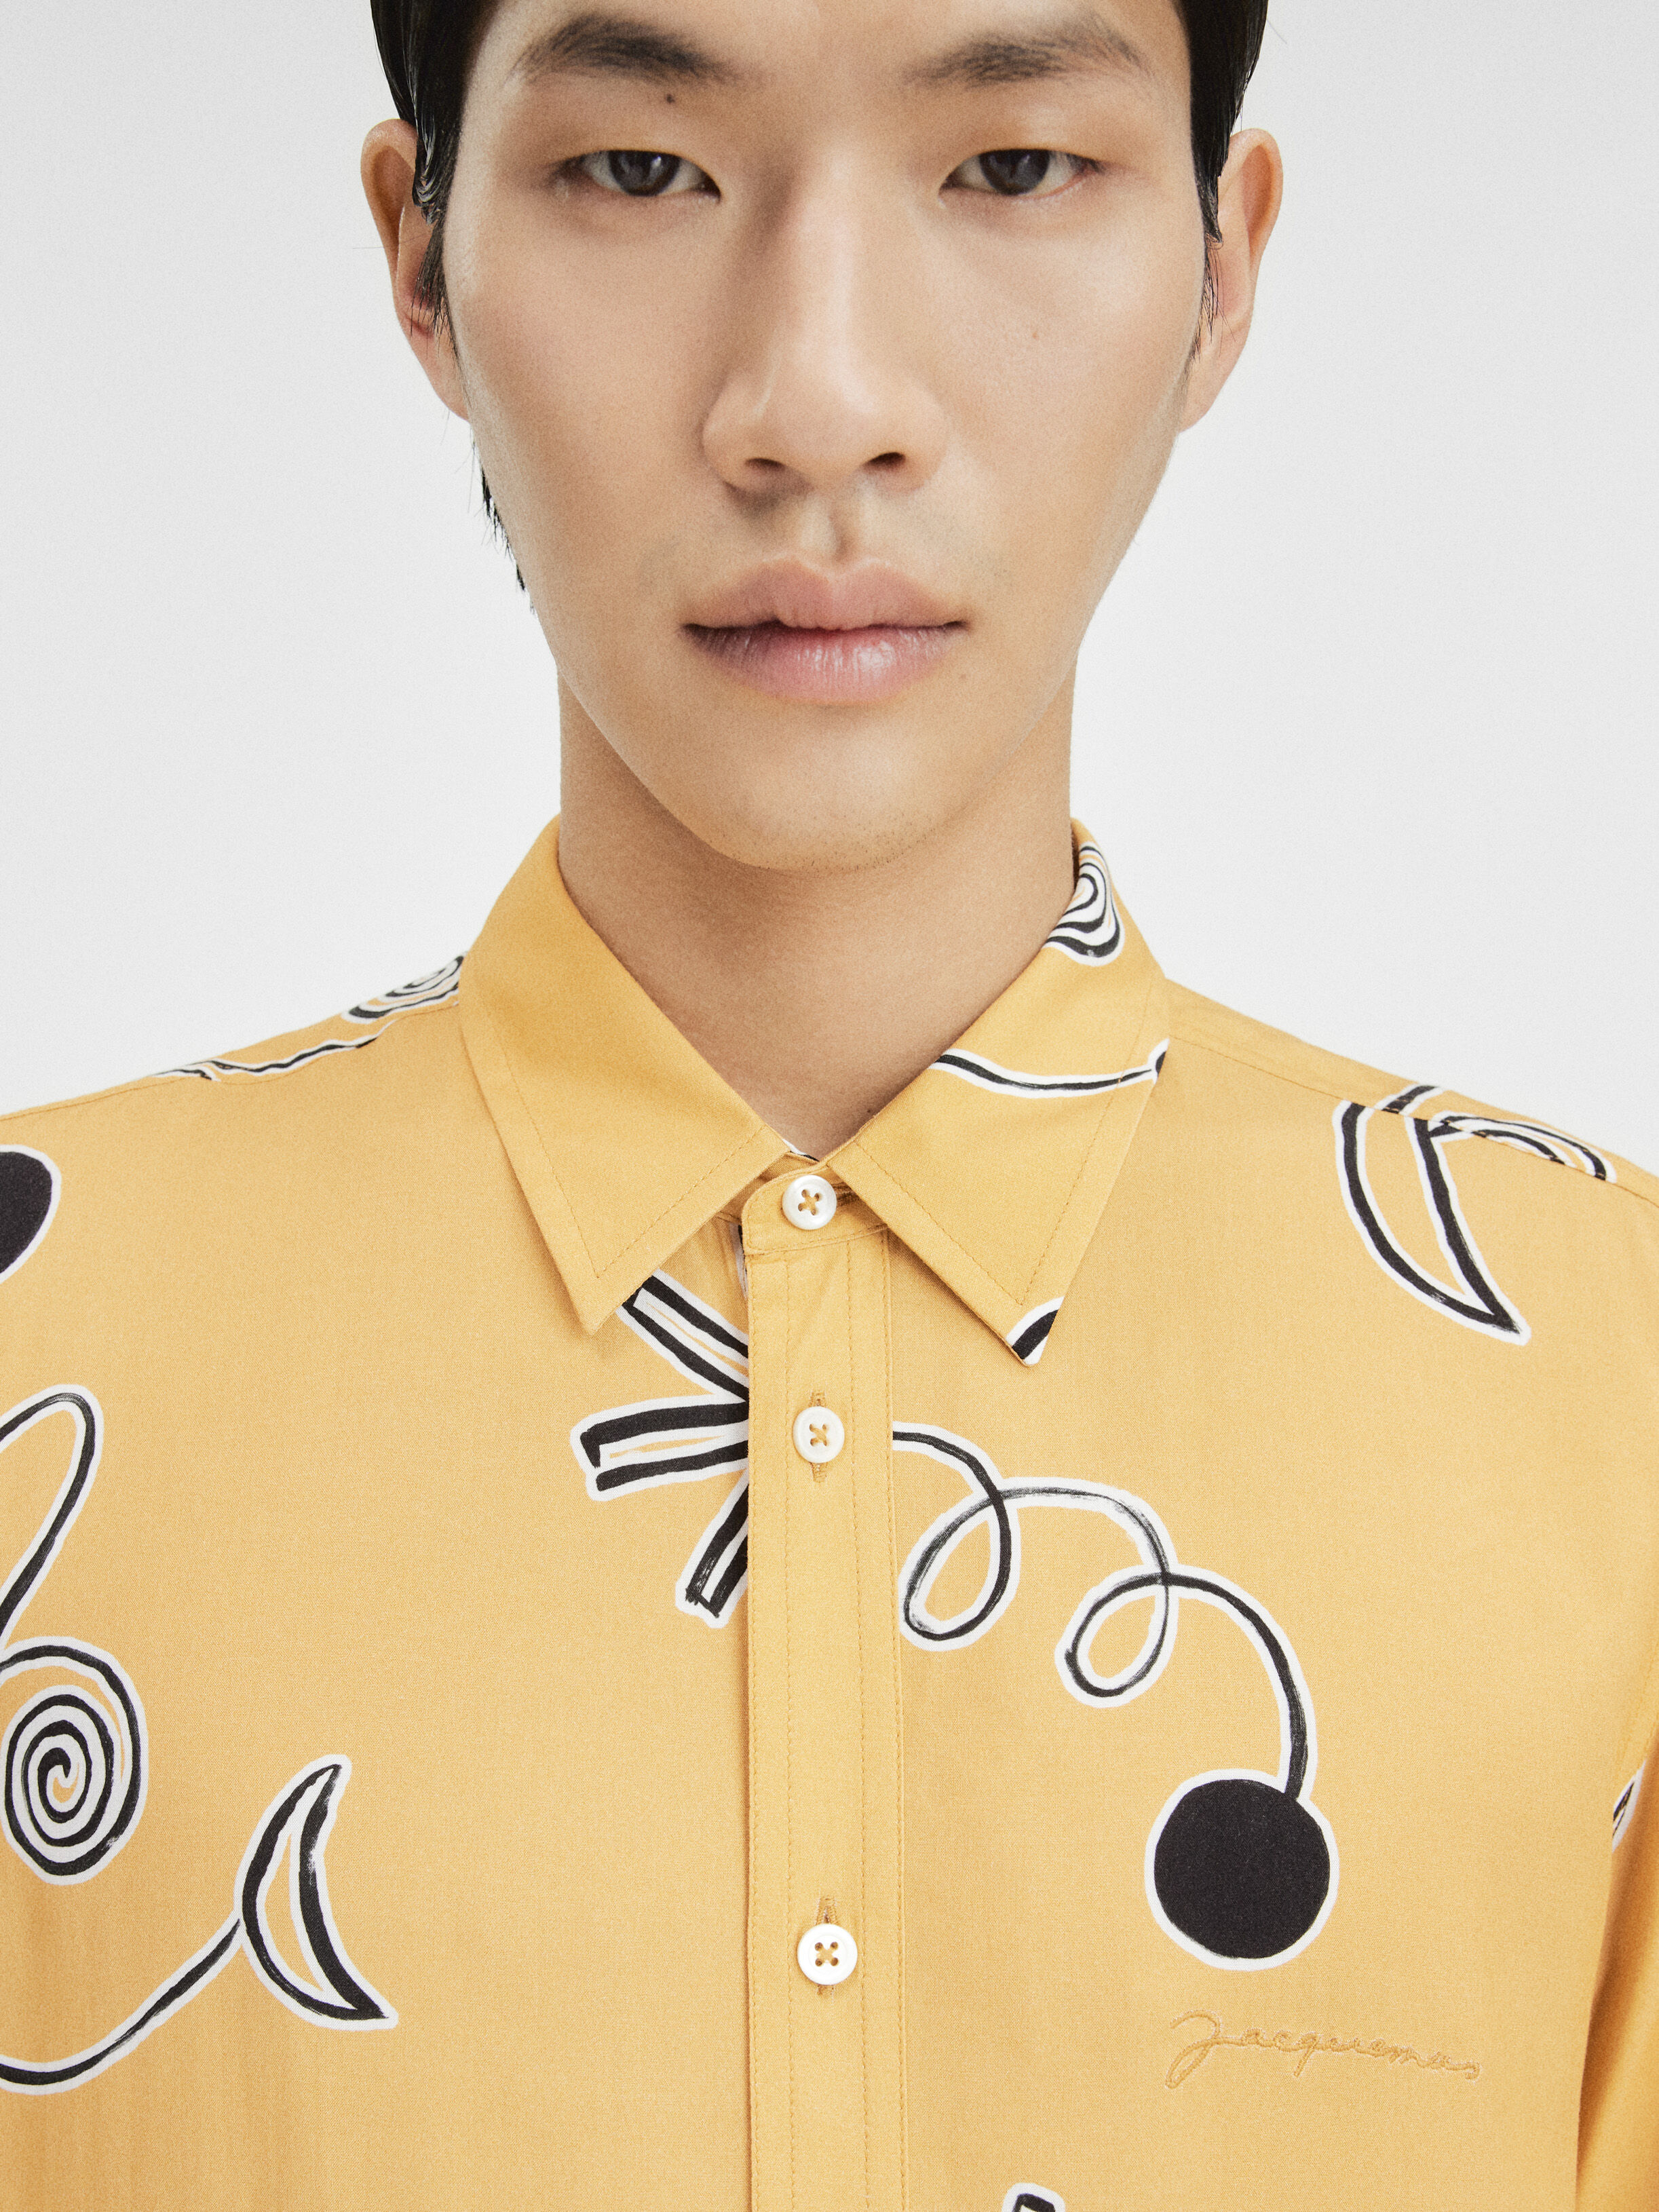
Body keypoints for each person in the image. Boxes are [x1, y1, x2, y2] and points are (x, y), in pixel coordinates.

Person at [1, 1, 1654, 2205]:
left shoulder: (1624, 1384)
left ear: (1220, 269)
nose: (821, 401)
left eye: (1013, 168)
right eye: (642, 171)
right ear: (421, 257)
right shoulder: (34, 1343)